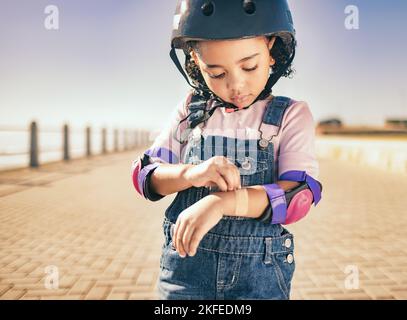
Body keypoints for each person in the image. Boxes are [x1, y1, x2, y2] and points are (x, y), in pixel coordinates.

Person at [131, 0, 323, 300]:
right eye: (216, 73)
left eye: (249, 66)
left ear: (271, 49)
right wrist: (191, 173)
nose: (236, 85)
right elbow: (145, 176)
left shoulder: (290, 115)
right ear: (194, 59)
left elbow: (298, 196)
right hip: (184, 277)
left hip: (259, 279)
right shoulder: (190, 110)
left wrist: (222, 203)